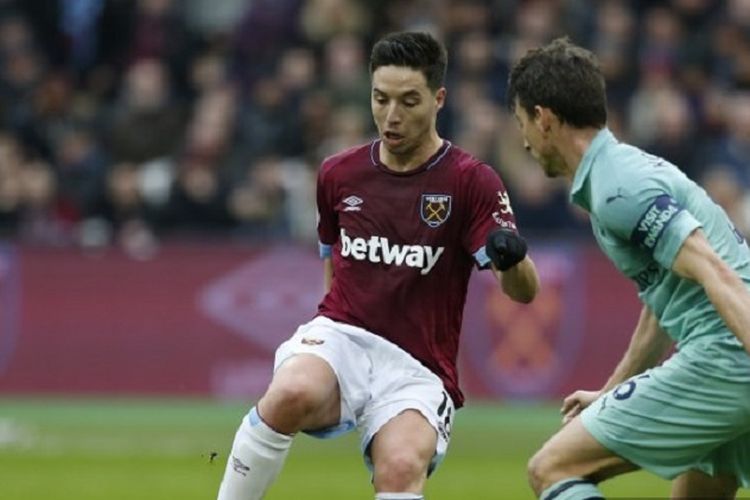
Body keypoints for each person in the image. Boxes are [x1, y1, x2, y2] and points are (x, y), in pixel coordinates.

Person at [216, 31, 540, 500]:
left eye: (409, 101)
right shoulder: (338, 174)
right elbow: (334, 268)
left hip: (419, 365)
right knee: (290, 393)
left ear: (438, 99)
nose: (392, 115)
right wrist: (327, 333)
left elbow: (524, 291)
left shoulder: (471, 182)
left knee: (402, 467)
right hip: (343, 336)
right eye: (380, 98)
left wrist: (514, 257)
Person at [507, 37, 750, 500]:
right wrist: (612, 391)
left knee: (551, 469)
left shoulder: (619, 188)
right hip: (731, 356)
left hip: (725, 356)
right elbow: (664, 301)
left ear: (544, 119)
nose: (523, 140)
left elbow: (714, 270)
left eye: (522, 123)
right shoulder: (618, 176)